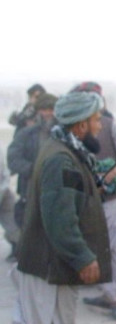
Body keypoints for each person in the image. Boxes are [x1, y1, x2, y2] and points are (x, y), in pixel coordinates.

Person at [15, 91, 110, 324]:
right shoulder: (62, 158)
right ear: (81, 124)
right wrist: (83, 257)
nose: (100, 126)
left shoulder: (63, 149)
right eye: (97, 120)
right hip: (52, 265)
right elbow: (60, 219)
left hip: (43, 262)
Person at [71, 82, 116, 321]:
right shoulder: (72, 132)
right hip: (83, 199)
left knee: (109, 248)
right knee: (89, 247)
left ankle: (113, 297)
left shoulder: (114, 126)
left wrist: (107, 177)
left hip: (110, 198)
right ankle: (104, 290)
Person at [7, 92, 57, 229]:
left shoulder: (64, 135)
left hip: (57, 193)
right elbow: (13, 159)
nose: (48, 113)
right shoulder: (26, 134)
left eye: (51, 109)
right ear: (38, 111)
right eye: (44, 109)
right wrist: (33, 169)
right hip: (29, 191)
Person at [0, 147, 20, 261]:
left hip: (3, 189)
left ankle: (18, 248)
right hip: (3, 187)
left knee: (11, 220)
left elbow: (5, 171)